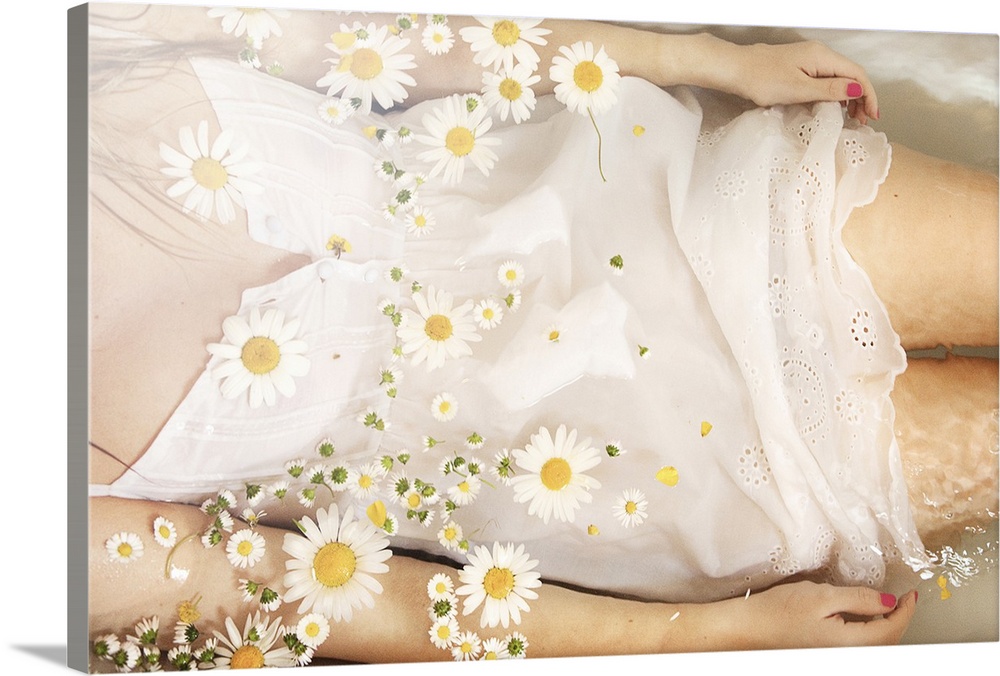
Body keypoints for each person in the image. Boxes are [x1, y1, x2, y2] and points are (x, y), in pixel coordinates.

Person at [84, 3, 998, 668]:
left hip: (684, 206)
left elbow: (412, 46)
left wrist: (708, 58)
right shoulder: (34, 540)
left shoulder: (80, 52)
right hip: (677, 479)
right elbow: (334, 600)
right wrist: (723, 637)